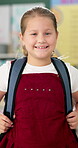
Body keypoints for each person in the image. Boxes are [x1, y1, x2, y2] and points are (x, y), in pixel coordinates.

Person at [0, 6, 78, 148]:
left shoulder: (68, 72)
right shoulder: (9, 71)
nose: (41, 39)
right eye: (34, 34)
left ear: (57, 35)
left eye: (47, 33)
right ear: (22, 38)